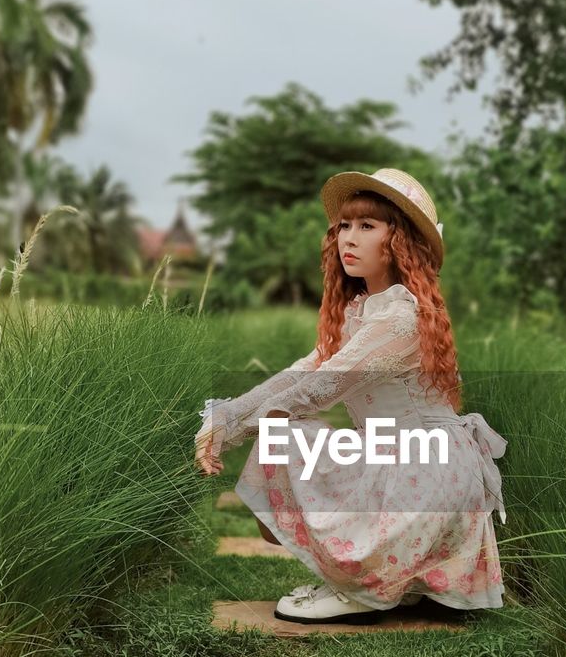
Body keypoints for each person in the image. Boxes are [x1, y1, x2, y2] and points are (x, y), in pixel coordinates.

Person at [194, 167, 507, 624]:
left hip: (427, 467)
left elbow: (321, 387)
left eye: (367, 226)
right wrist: (224, 418)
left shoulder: (401, 319)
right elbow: (299, 373)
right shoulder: (363, 313)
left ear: (398, 241)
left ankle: (368, 585)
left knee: (288, 431)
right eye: (344, 226)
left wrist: (250, 425)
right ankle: (390, 579)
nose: (349, 239)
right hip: (401, 457)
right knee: (288, 428)